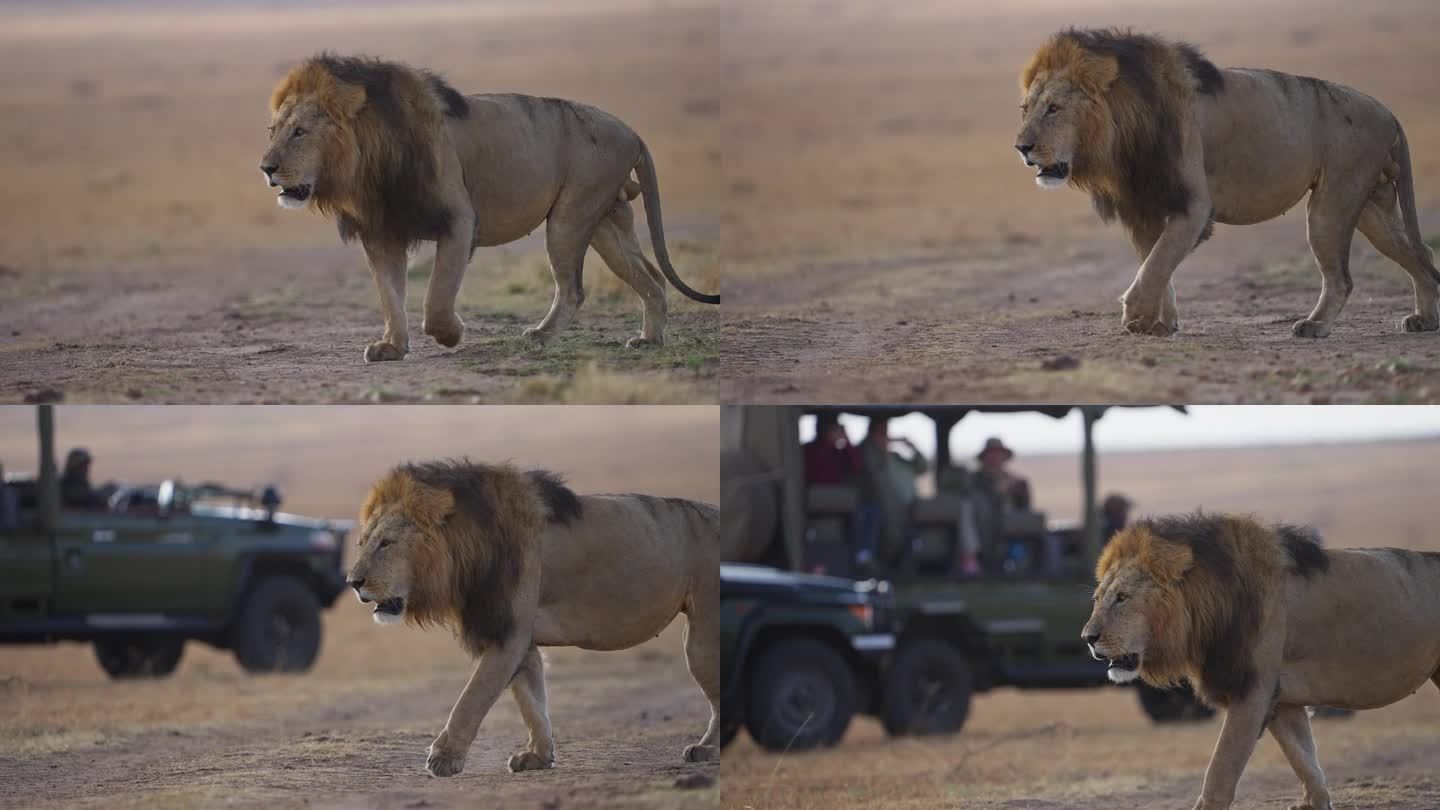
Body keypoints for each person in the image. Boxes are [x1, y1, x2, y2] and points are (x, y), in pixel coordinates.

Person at [803, 414, 862, 486]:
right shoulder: (810, 449)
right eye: (832, 429)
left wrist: (845, 438)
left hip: (835, 490)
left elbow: (856, 466)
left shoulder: (838, 451)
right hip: (815, 489)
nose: (835, 432)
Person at [973, 437, 1031, 510]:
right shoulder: (973, 480)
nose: (994, 457)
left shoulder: (1015, 481)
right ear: (984, 457)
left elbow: (1024, 510)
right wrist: (997, 492)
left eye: (998, 454)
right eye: (991, 454)